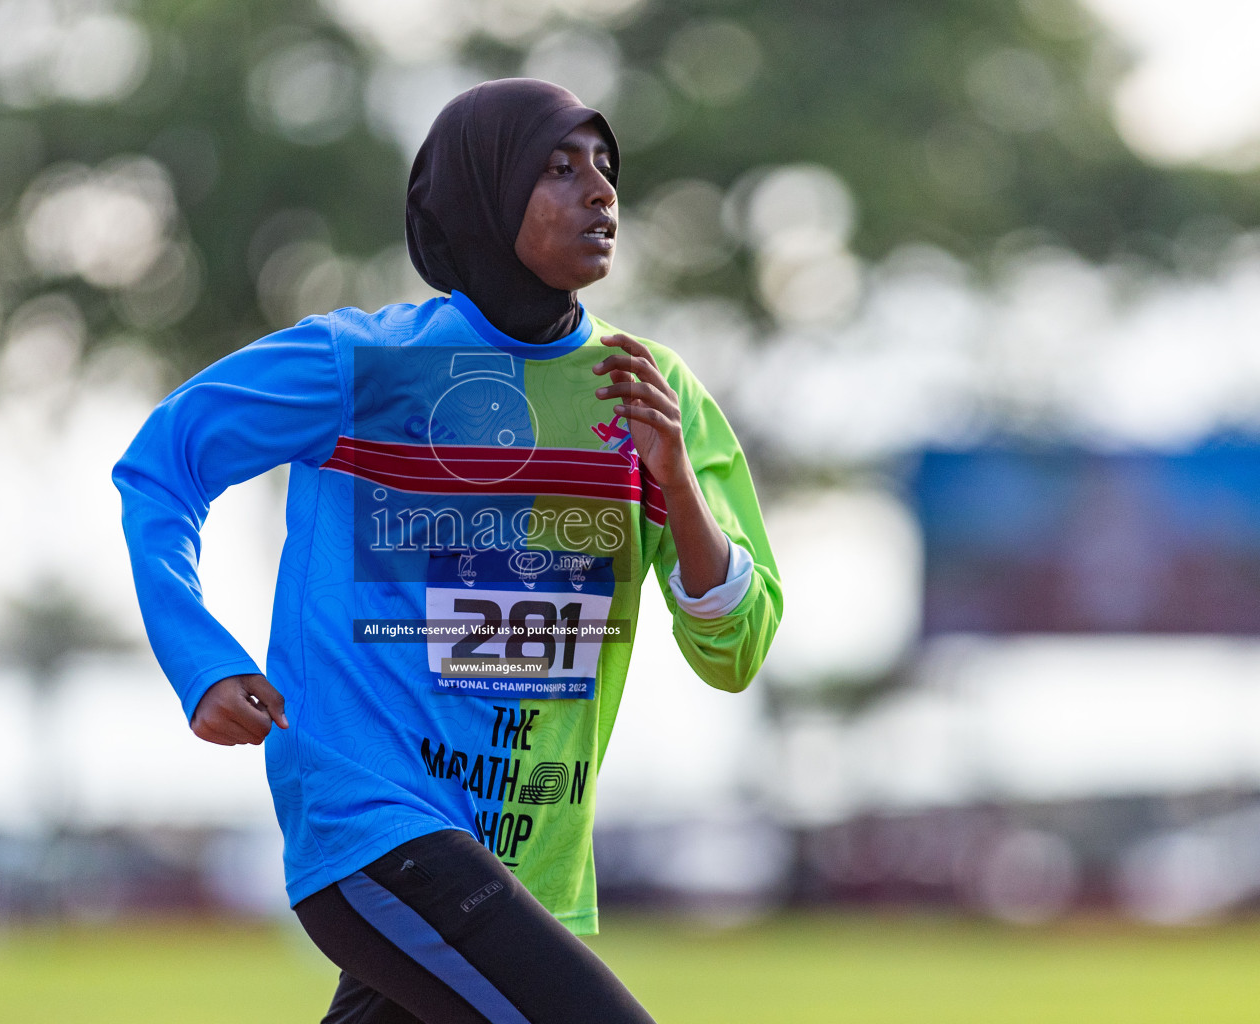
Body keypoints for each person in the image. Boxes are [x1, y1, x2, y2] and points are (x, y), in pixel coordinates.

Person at [113, 78, 782, 1024]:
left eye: (605, 168)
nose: (600, 192)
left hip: (529, 865)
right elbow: (160, 467)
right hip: (372, 826)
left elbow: (736, 650)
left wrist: (675, 485)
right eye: (558, 168)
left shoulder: (653, 392)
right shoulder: (363, 365)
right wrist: (200, 657)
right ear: (482, 193)